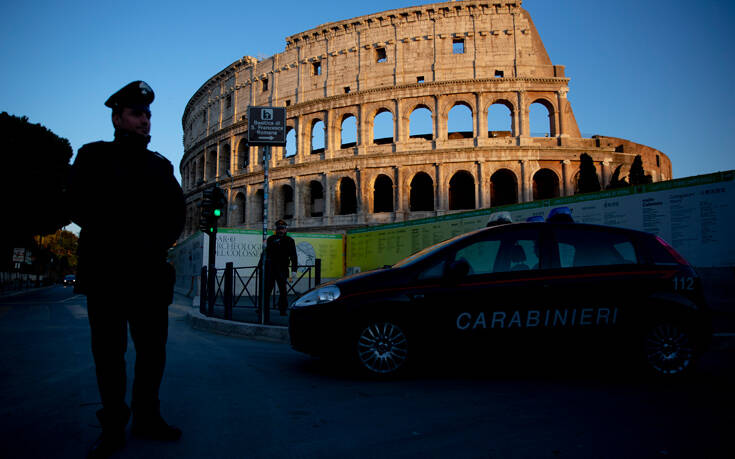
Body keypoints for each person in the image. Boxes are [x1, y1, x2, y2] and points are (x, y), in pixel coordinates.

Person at [68, 81, 186, 459]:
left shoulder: (161, 165)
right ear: (117, 118)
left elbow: (176, 214)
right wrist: (121, 234)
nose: (145, 120)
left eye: (148, 114)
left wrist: (154, 244)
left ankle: (148, 416)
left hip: (148, 275)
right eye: (137, 113)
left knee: (153, 353)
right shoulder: (93, 157)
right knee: (109, 354)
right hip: (107, 273)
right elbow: (77, 206)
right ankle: (114, 425)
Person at [262, 219, 298, 315]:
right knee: (267, 290)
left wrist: (294, 270)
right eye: (279, 228)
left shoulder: (289, 240)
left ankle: (282, 309)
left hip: (282, 268)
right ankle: (263, 308)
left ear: (285, 230)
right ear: (276, 229)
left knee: (283, 291)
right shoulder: (271, 239)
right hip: (270, 269)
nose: (280, 231)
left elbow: (293, 256)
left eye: (282, 229)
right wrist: (260, 266)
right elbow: (265, 254)